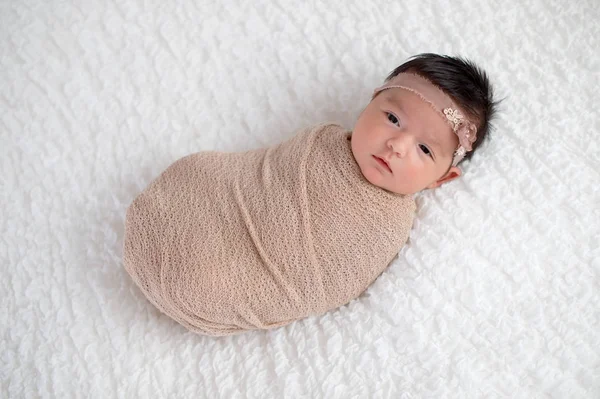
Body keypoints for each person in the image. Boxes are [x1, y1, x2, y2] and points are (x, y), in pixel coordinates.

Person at [123, 53, 498, 336]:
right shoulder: (320, 142)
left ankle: (193, 280)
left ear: (441, 179)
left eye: (425, 150)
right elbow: (260, 173)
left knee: (205, 282)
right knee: (196, 173)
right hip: (219, 199)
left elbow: (330, 282)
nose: (397, 144)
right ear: (371, 102)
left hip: (237, 274)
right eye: (393, 119)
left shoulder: (390, 225)